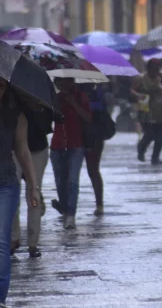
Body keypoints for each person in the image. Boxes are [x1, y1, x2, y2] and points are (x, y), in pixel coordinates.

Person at [0, 79, 41, 307]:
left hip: (6, 183)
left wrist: (33, 186)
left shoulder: (14, 115)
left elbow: (23, 150)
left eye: (2, 86)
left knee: (2, 242)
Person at [11, 99, 52, 258]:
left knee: (33, 193)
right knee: (12, 193)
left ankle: (33, 243)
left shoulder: (42, 99)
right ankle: (13, 238)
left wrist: (38, 109)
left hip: (37, 150)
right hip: (14, 150)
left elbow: (48, 126)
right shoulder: (11, 99)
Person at [50, 78, 91, 230]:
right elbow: (49, 118)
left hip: (76, 145)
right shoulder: (54, 98)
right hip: (57, 145)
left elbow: (88, 118)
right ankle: (65, 210)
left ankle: (71, 215)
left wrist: (73, 103)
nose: (63, 84)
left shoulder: (81, 97)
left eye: (66, 81)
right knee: (61, 182)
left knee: (73, 181)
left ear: (72, 81)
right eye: (60, 81)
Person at [132, 59, 162, 166]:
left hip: (160, 109)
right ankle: (141, 148)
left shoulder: (161, 77)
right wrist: (138, 95)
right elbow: (132, 90)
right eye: (152, 69)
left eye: (157, 69)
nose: (155, 71)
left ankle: (155, 157)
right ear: (148, 69)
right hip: (146, 109)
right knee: (150, 134)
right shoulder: (141, 78)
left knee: (161, 136)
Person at [82, 84, 108, 216]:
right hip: (73, 135)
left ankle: (100, 204)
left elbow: (100, 108)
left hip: (94, 136)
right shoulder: (71, 89)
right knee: (68, 172)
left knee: (93, 170)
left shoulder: (98, 91)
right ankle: (66, 206)